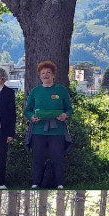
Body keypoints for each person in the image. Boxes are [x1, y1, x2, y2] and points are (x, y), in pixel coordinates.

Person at [24, 60, 73, 189]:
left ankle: (60, 184)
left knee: (57, 158)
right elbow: (27, 110)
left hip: (57, 132)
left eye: (48, 72)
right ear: (40, 76)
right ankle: (35, 183)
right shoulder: (35, 91)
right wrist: (32, 117)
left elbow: (69, 109)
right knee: (37, 159)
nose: (45, 75)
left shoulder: (61, 90)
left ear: (53, 75)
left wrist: (65, 115)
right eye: (43, 73)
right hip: (38, 131)